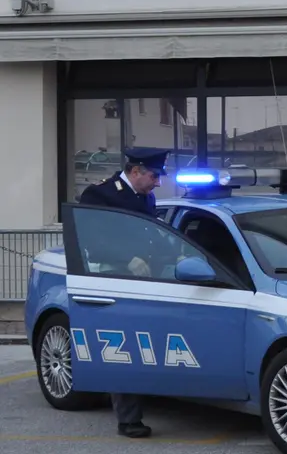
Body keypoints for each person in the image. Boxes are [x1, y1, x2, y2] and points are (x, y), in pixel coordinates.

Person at [78, 146, 170, 439]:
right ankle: (129, 419)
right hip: (115, 279)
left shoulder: (145, 196)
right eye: (154, 176)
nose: (158, 183)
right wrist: (125, 260)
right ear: (135, 171)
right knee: (126, 347)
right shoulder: (101, 195)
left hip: (147, 280)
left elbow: (151, 234)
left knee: (149, 343)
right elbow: (92, 238)